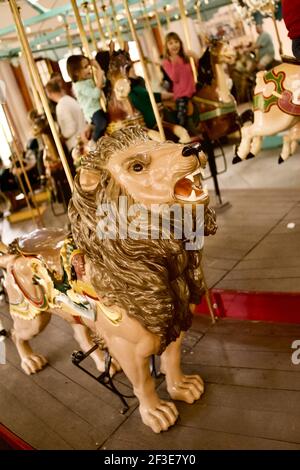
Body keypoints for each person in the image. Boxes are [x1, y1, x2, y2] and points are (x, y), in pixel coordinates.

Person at [66, 55, 107, 143]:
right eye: (85, 67)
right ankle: (94, 142)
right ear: (76, 72)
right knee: (102, 123)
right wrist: (99, 78)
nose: (89, 69)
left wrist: (97, 67)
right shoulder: (79, 86)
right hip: (92, 111)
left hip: (99, 107)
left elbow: (103, 82)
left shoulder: (88, 79)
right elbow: (96, 94)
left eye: (89, 66)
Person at [162, 32, 198, 127]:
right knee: (182, 117)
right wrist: (175, 63)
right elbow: (175, 79)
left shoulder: (185, 57)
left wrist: (194, 56)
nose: (174, 45)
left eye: (176, 42)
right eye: (170, 43)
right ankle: (184, 132)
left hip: (193, 90)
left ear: (180, 43)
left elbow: (196, 70)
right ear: (167, 47)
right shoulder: (167, 62)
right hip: (182, 95)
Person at [45, 76, 87, 155]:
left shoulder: (61, 106)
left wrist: (61, 137)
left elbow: (70, 128)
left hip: (77, 144)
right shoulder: (69, 99)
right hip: (83, 137)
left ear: (50, 93)